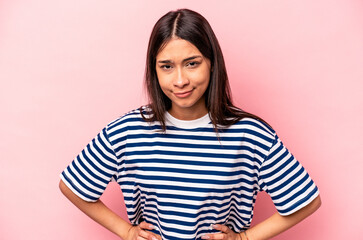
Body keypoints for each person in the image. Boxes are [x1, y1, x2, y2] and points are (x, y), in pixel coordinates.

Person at [59, 8, 321, 240]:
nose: (180, 80)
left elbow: (306, 202)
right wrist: (126, 231)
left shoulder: (249, 134)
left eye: (192, 63)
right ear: (155, 71)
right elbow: (72, 185)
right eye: (166, 66)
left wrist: (244, 238)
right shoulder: (128, 131)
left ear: (211, 64)